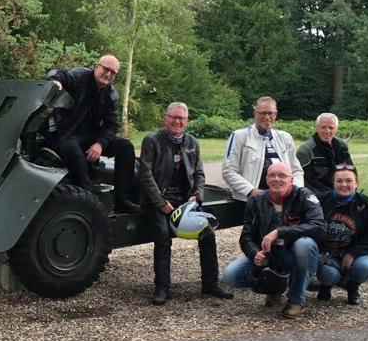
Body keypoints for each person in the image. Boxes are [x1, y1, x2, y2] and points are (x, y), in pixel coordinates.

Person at [138, 102, 233, 306]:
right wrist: (160, 201)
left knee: (208, 231)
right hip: (158, 201)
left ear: (187, 121)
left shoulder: (192, 142)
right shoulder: (152, 141)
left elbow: (199, 173)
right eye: (173, 117)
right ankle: (162, 287)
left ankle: (210, 284)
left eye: (181, 118)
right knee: (163, 235)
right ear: (165, 119)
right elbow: (145, 175)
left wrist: (197, 196)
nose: (177, 121)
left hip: (186, 201)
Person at [222, 161, 324, 319]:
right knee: (231, 275)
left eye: (282, 175)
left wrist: (280, 232)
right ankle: (275, 287)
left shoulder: (305, 196)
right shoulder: (255, 201)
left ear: (291, 179)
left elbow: (319, 226)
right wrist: (254, 253)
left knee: (304, 244)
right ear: (266, 179)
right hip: (270, 256)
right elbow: (246, 236)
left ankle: (296, 299)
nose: (277, 179)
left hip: (295, 255)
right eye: (273, 175)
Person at [48, 55, 139, 213]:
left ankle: (123, 200)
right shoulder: (79, 76)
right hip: (65, 133)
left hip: (90, 136)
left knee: (125, 147)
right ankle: (88, 199)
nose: (108, 74)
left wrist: (100, 144)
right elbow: (60, 74)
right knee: (72, 148)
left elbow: (112, 125)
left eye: (113, 73)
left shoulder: (110, 94)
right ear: (97, 66)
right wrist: (55, 80)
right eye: (106, 69)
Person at [316, 163, 368, 306]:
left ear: (356, 182)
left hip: (357, 251)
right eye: (339, 181)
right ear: (332, 182)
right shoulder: (320, 201)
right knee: (328, 274)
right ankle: (326, 286)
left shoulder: (367, 204)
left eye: (349, 180)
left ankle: (353, 287)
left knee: (365, 268)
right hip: (329, 252)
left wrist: (353, 254)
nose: (344, 185)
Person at [222, 96, 303, 200]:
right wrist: (252, 191)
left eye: (271, 113)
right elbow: (229, 171)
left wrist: (295, 191)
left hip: (283, 200)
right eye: (263, 113)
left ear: (276, 114)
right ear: (255, 113)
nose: (267, 117)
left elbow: (296, 170)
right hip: (249, 201)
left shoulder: (285, 137)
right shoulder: (239, 136)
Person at [297, 113, 354, 193]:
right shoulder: (305, 150)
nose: (327, 131)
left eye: (331, 128)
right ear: (317, 128)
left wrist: (350, 189)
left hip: (342, 191)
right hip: (318, 196)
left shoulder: (342, 145)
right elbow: (306, 181)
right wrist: (331, 195)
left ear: (336, 129)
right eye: (323, 127)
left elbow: (350, 169)